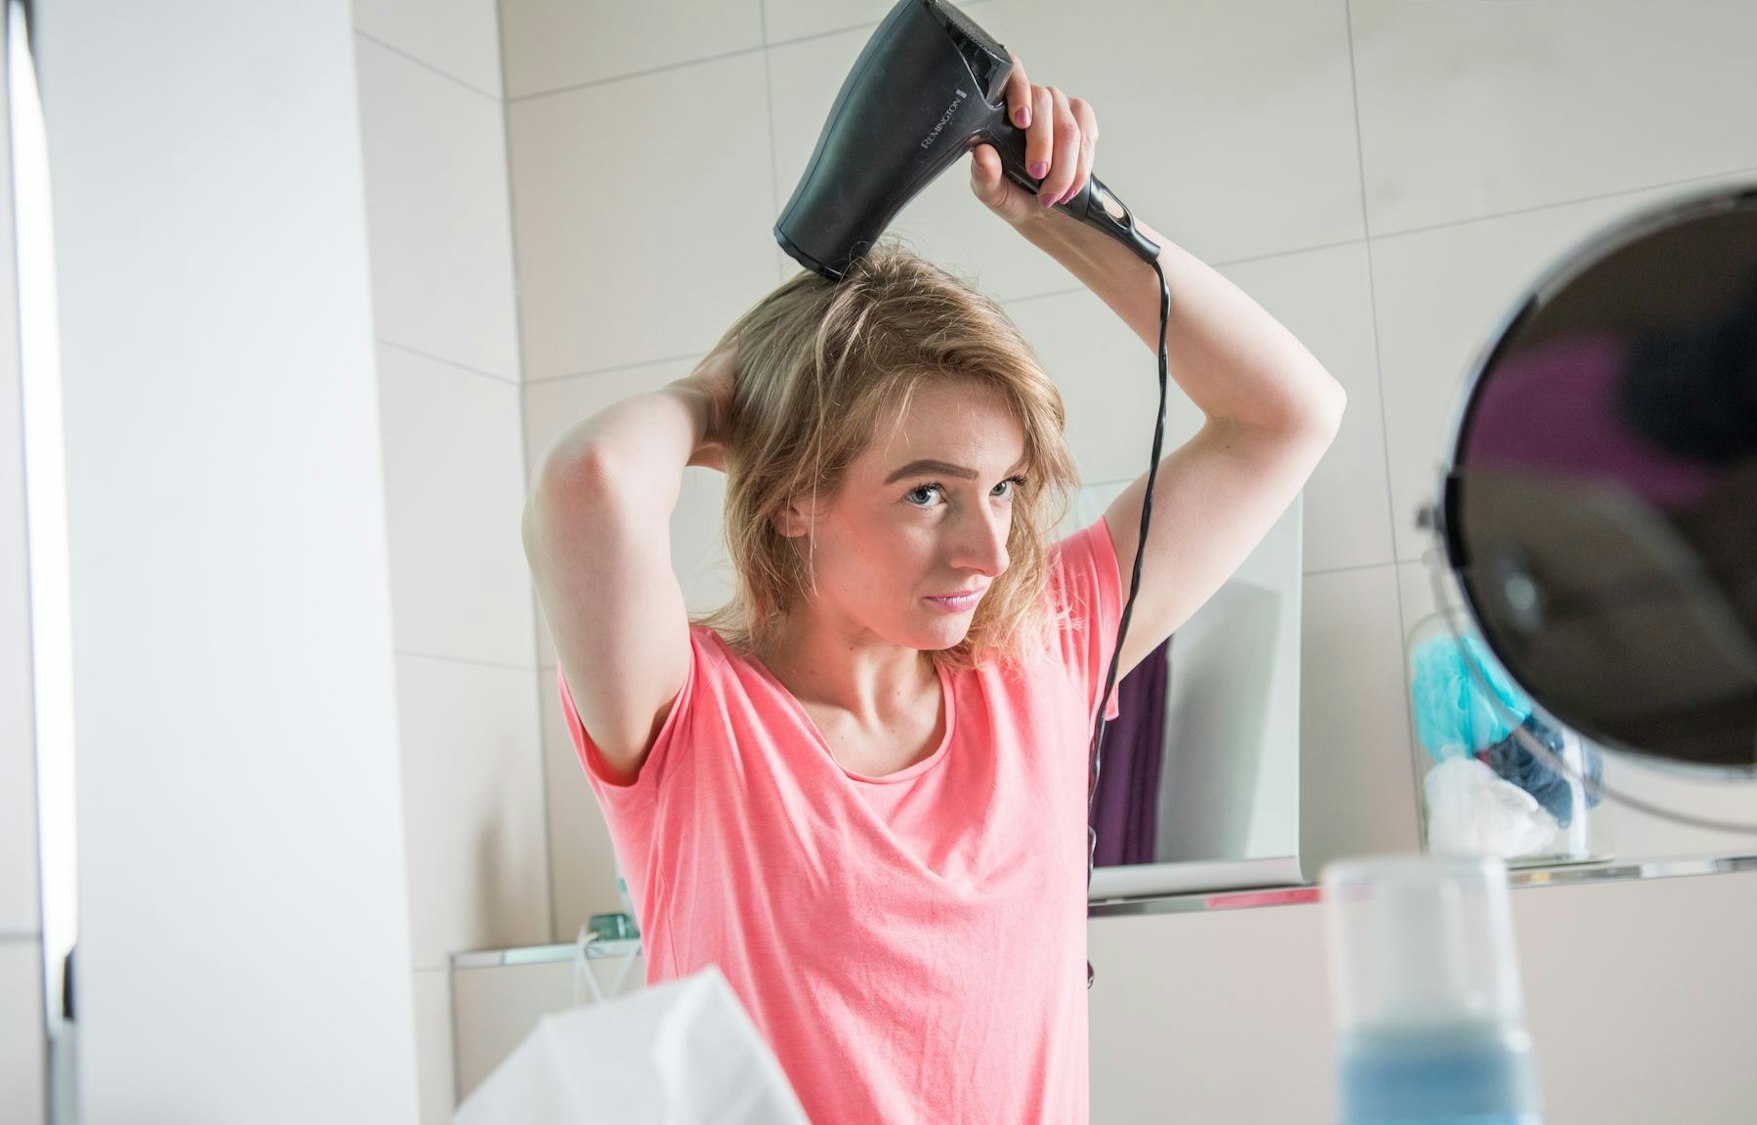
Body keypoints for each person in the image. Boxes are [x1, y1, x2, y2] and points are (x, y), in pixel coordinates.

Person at [521, 56, 1345, 1125]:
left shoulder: (1040, 657)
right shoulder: (695, 723)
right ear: (793, 495)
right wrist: (719, 396)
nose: (987, 552)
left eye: (1002, 489)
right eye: (926, 493)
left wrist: (1070, 214)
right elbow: (587, 484)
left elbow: (1288, 414)